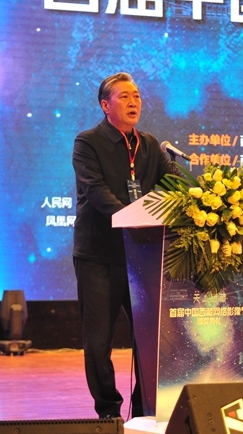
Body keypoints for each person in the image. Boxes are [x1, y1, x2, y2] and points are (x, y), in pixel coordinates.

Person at [72, 72, 178, 418]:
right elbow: (95, 190)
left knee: (152, 339)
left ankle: (143, 408)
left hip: (142, 256)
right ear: (106, 105)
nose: (134, 103)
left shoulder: (150, 145)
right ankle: (108, 411)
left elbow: (174, 184)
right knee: (98, 342)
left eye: (137, 96)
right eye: (124, 97)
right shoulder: (87, 143)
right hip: (98, 257)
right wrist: (130, 217)